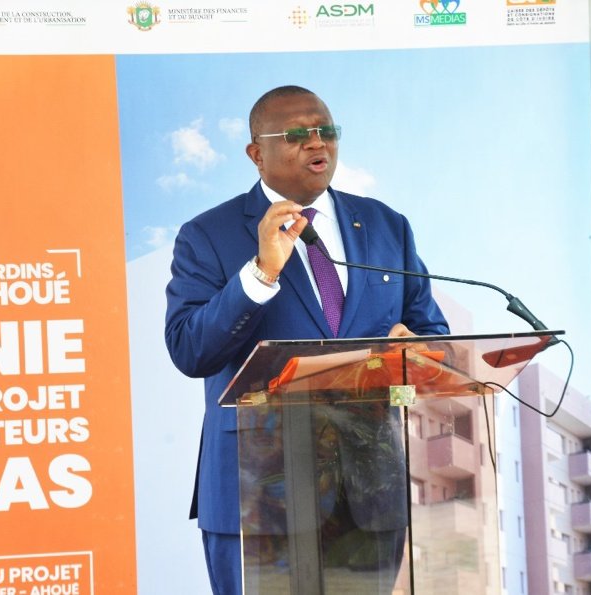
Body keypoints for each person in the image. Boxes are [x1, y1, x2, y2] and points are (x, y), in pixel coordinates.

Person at [164, 85, 449, 594]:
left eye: (326, 130)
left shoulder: (386, 226)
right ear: (256, 154)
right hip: (258, 494)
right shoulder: (208, 235)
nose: (318, 143)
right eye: (297, 134)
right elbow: (190, 350)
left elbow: (433, 337)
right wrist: (260, 274)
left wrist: (416, 351)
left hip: (368, 493)